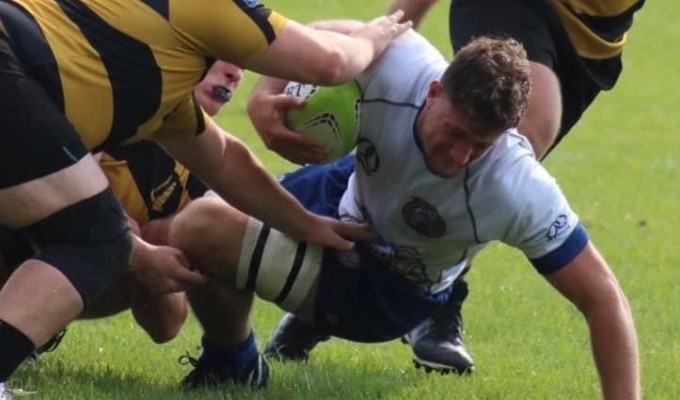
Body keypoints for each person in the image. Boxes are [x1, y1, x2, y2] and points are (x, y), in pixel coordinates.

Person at [168, 30, 640, 399]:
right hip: (343, 189)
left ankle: (232, 361)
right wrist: (263, 97)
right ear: (433, 92)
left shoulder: (515, 187)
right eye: (455, 133)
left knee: (198, 227)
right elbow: (322, 36)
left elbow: (603, 298)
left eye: (481, 145)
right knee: (185, 222)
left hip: (387, 284)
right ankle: (235, 357)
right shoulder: (400, 64)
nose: (459, 156)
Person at [0, 0, 411, 395]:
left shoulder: (161, 85)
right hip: (11, 64)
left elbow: (223, 160)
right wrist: (372, 36)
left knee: (94, 234)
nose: (237, 69)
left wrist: (305, 224)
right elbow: (331, 62)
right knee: (96, 237)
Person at [0, 61, 244, 359]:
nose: (235, 74)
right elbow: (79, 216)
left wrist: (158, 258)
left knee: (146, 239)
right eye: (220, 56)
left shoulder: (199, 163)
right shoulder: (98, 109)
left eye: (241, 63)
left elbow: (166, 326)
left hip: (44, 263)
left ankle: (27, 326)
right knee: (109, 232)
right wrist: (141, 253)